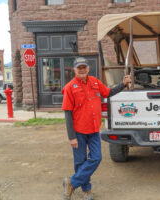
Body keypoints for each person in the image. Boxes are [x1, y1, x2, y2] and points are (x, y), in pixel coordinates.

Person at [61, 57, 130, 200]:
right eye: (79, 68)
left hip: (93, 130)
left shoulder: (95, 82)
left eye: (84, 67)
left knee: (97, 158)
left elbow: (108, 93)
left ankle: (71, 183)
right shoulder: (69, 88)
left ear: (88, 68)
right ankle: (87, 190)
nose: (82, 70)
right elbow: (67, 113)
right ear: (74, 69)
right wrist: (71, 137)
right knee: (80, 162)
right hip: (78, 132)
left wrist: (122, 84)